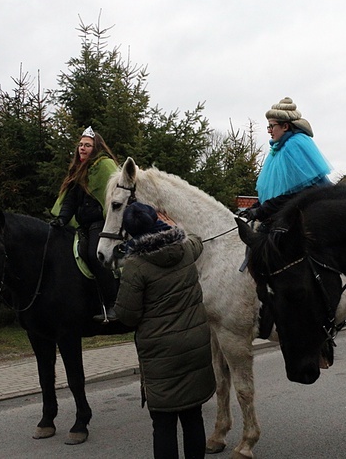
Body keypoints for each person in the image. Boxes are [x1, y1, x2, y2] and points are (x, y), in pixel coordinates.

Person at [114, 202, 215, 459]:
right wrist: (173, 225)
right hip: (195, 346)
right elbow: (197, 239)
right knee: (193, 417)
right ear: (157, 220)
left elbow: (127, 315)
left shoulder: (135, 265)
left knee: (163, 424)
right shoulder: (183, 248)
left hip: (161, 355)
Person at [50, 126, 120, 322]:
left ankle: (112, 304)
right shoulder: (78, 171)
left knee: (95, 255)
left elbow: (115, 196)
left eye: (87, 145)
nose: (82, 148)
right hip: (82, 227)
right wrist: (62, 219)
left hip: (100, 224)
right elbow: (70, 200)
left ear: (95, 147)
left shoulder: (105, 166)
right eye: (80, 145)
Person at [239, 97, 332, 230]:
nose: (269, 131)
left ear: (285, 126)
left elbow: (300, 192)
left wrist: (262, 210)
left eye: (272, 126)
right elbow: (276, 190)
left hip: (304, 218)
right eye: (268, 126)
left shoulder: (294, 146)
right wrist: (255, 208)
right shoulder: (278, 150)